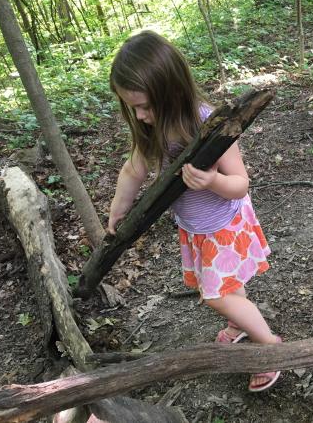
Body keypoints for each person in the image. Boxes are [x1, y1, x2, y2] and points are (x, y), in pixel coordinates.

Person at [106, 30, 281, 392]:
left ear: (171, 91)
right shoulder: (151, 127)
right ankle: (239, 327)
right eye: (132, 107)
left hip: (222, 226)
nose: (139, 116)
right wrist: (117, 212)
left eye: (145, 106)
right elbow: (133, 170)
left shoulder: (207, 124)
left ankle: (269, 348)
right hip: (197, 228)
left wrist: (212, 181)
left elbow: (240, 183)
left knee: (217, 295)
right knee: (229, 289)